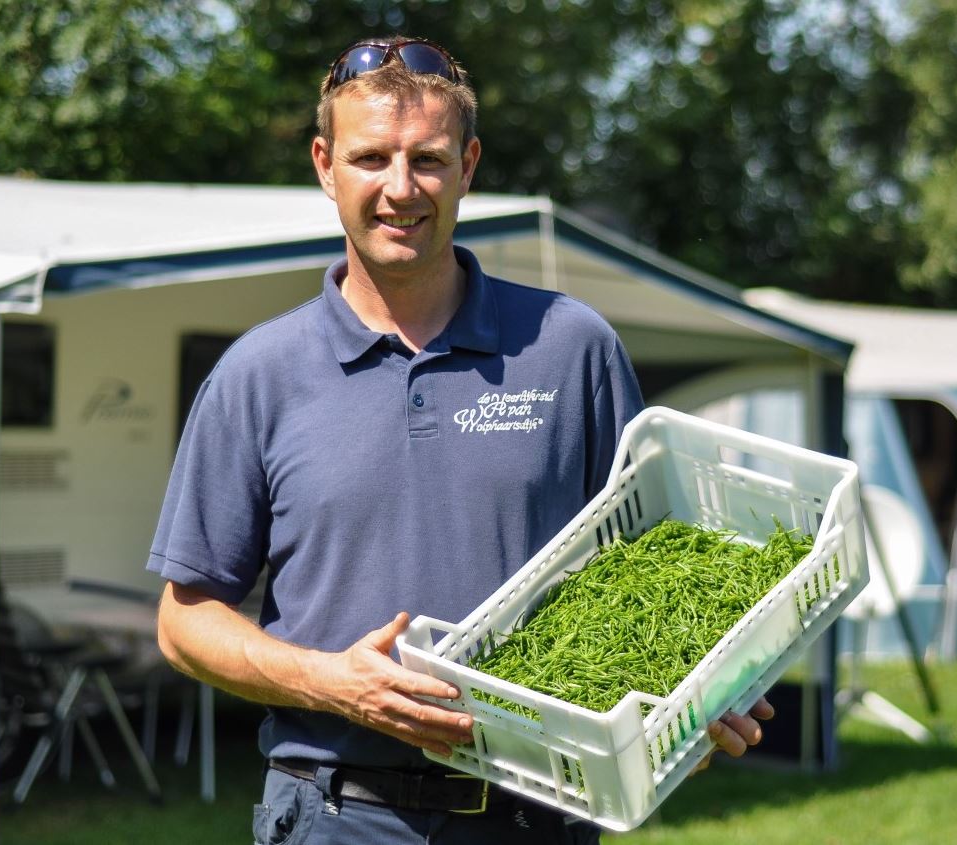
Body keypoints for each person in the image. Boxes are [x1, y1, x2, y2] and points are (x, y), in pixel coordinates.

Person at [148, 35, 772, 845]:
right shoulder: (258, 374)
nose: (400, 189)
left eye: (429, 160)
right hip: (339, 816)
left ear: (469, 165)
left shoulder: (568, 345)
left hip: (539, 813)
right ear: (324, 165)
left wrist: (698, 699)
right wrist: (331, 683)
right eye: (371, 158)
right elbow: (185, 620)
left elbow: (658, 563)